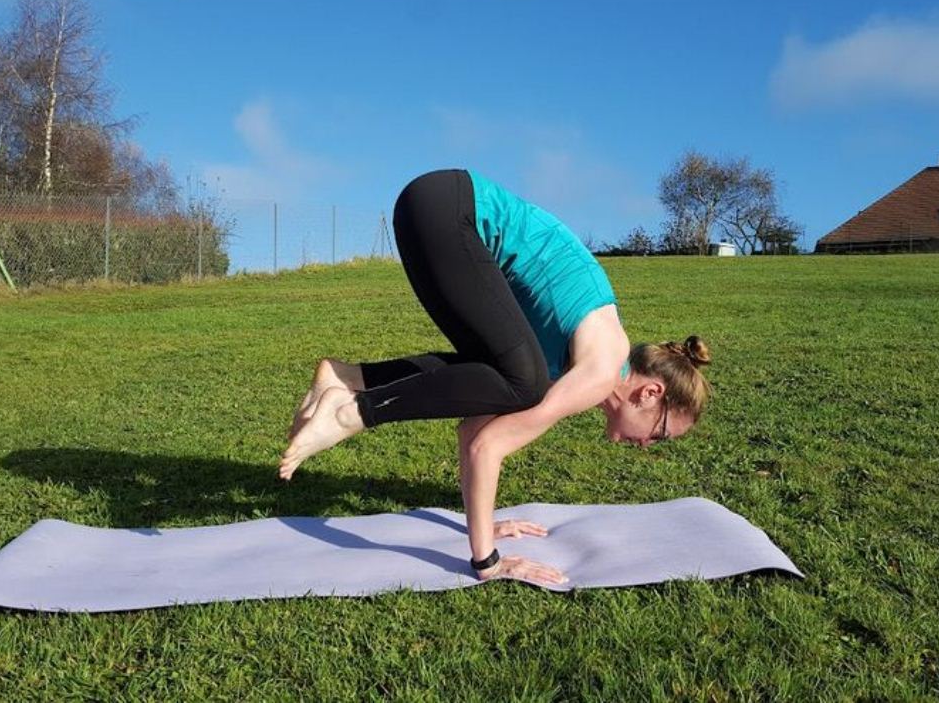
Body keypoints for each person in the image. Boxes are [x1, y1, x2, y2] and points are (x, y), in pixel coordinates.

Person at [279, 168, 711, 586]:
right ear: (651, 392)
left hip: (430, 206)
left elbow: (472, 429)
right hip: (451, 214)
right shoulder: (599, 371)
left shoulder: (582, 357)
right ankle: (351, 413)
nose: (647, 445)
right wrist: (488, 562)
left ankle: (347, 377)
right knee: (525, 385)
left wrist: (485, 523)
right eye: (660, 434)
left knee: (501, 379)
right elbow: (489, 446)